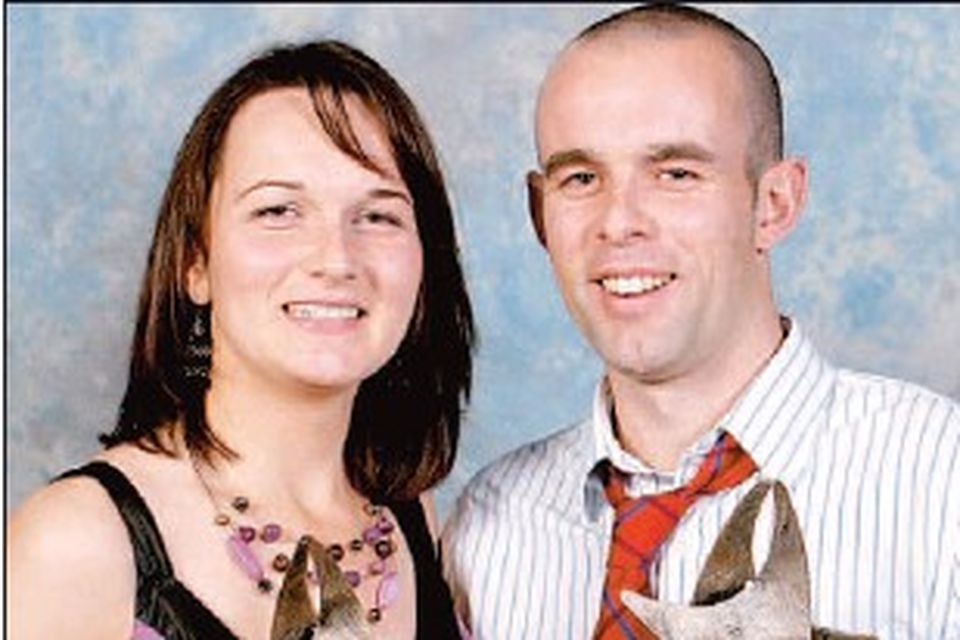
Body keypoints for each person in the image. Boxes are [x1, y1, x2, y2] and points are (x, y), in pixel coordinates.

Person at [442, 4, 959, 639]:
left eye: (676, 174)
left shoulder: (941, 485)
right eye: (580, 178)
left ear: (774, 204)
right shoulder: (486, 528)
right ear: (539, 212)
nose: (619, 222)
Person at [8, 39, 473, 639]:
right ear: (195, 263)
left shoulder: (410, 516)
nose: (336, 259)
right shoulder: (76, 541)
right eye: (278, 211)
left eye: (378, 216)